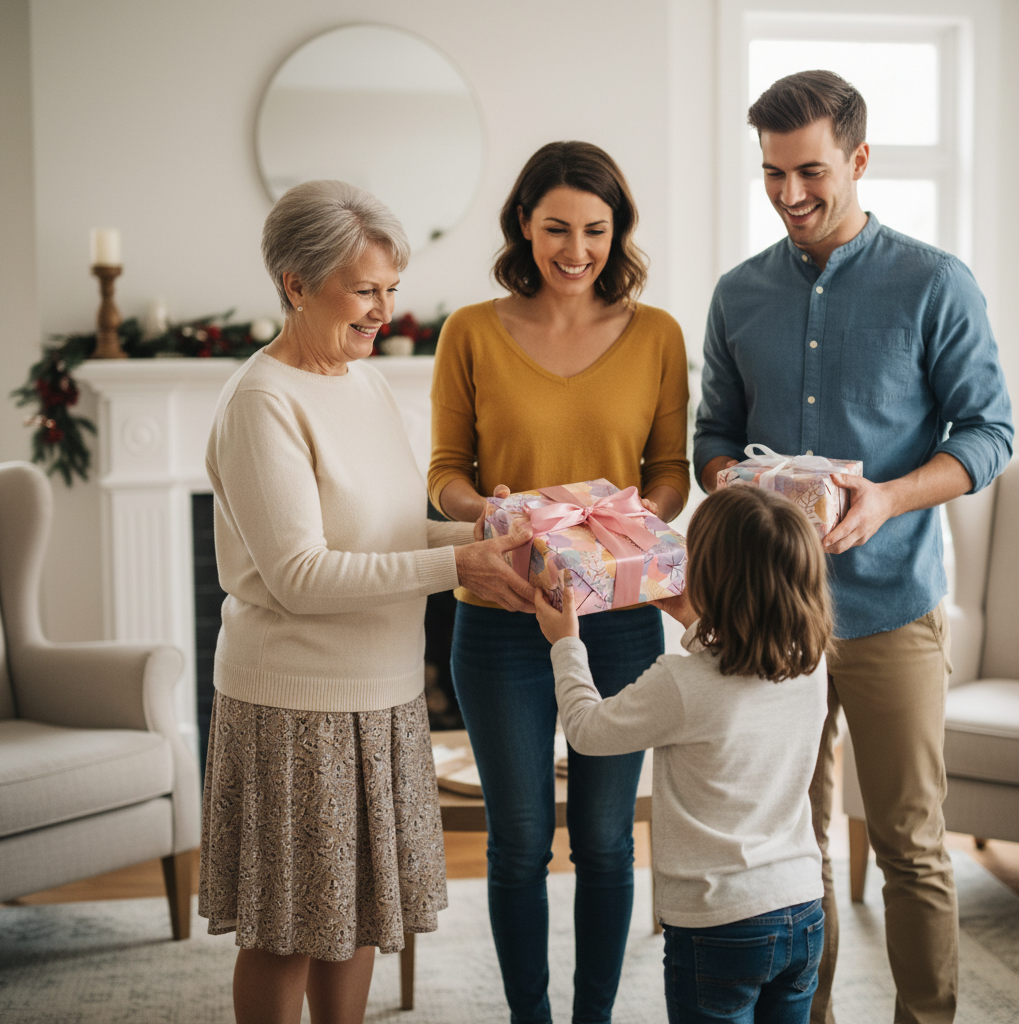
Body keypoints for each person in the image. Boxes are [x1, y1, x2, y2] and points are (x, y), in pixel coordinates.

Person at [694, 71, 1014, 1024]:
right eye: (771, 174)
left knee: (914, 841)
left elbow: (990, 432)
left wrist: (889, 499)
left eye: (811, 172)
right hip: (768, 618)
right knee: (794, 845)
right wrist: (738, 482)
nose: (790, 194)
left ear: (860, 159)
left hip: (891, 609)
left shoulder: (934, 282)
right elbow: (712, 436)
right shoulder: (738, 293)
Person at [198, 179, 537, 1024]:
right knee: (284, 933)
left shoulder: (365, 380)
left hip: (381, 696)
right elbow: (301, 576)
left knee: (351, 914)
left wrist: (482, 537)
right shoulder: (263, 402)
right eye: (365, 290)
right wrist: (460, 570)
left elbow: (386, 532)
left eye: (391, 289)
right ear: (296, 283)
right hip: (294, 705)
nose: (384, 310)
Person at [427, 141, 690, 1023]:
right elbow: (443, 474)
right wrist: (490, 510)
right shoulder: (469, 330)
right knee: (519, 844)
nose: (575, 250)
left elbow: (670, 472)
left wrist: (624, 535)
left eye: (595, 230)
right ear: (523, 227)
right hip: (501, 614)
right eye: (555, 229)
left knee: (609, 846)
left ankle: (594, 1018)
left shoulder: (657, 334)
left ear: (617, 234)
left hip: (615, 620)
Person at [535, 485, 833, 1024]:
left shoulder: (681, 682)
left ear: (709, 575)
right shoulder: (809, 664)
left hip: (719, 924)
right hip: (803, 909)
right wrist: (695, 622)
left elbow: (586, 729)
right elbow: (737, 675)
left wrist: (565, 642)